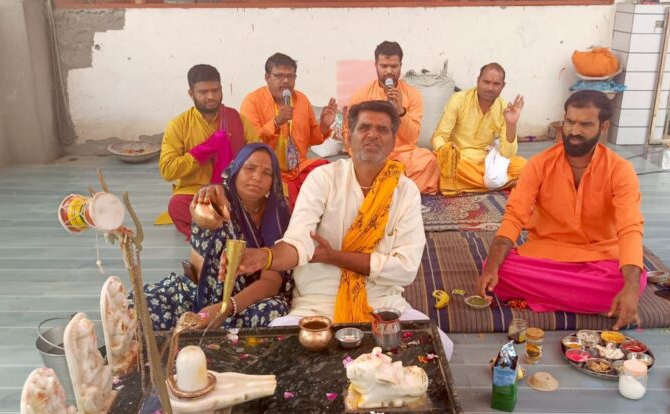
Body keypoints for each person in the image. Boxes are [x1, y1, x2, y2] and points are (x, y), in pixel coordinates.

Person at [211, 100, 453, 357]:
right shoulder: (323, 179)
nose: (372, 134)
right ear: (349, 137)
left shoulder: (405, 191)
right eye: (364, 127)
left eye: (382, 129)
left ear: (393, 141)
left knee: (441, 347)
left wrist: (335, 257)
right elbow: (299, 242)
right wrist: (264, 257)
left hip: (382, 305)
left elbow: (405, 269)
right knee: (276, 350)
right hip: (317, 304)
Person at [477, 90, 647, 331]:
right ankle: (590, 301)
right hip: (547, 252)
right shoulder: (539, 164)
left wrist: (630, 287)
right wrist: (493, 266)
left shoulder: (620, 170)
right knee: (494, 267)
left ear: (603, 127)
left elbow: (630, 228)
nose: (574, 131)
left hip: (598, 256)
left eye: (585, 124)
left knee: (633, 280)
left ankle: (552, 296)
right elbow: (514, 216)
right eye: (570, 122)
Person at [141, 143, 291, 330]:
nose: (257, 177)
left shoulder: (278, 214)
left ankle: (213, 326)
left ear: (273, 181)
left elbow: (271, 281)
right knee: (142, 306)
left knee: (275, 310)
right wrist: (210, 198)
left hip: (248, 300)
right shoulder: (217, 201)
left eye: (267, 173)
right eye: (250, 168)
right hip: (203, 292)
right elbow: (205, 215)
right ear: (235, 170)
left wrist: (226, 308)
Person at [158, 64, 260, 237]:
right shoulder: (179, 125)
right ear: (191, 94)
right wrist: (205, 149)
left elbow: (258, 153)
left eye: (215, 90)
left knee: (269, 198)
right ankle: (230, 229)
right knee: (177, 206)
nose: (211, 96)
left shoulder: (237, 120)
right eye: (203, 92)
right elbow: (168, 170)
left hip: (235, 191)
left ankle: (213, 231)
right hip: (197, 193)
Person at [241, 53, 339, 210]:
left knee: (333, 180)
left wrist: (324, 126)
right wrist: (276, 122)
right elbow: (251, 145)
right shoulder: (252, 102)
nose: (286, 81)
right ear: (267, 77)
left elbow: (312, 139)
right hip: (269, 169)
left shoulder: (302, 99)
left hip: (299, 167)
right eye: (279, 76)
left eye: (290, 76)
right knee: (284, 204)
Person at [345, 41, 439, 195]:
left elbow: (412, 137)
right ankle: (397, 189)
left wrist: (400, 111)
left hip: (403, 155)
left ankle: (384, 189)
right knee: (365, 166)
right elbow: (348, 133)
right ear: (375, 66)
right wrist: (360, 155)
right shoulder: (361, 95)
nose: (389, 71)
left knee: (428, 160)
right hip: (373, 151)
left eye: (394, 66)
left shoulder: (412, 94)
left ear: (401, 66)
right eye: (384, 66)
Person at [431, 63, 527, 196]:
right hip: (459, 159)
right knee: (435, 163)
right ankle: (498, 184)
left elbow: (507, 154)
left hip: (485, 161)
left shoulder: (504, 108)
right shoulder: (458, 100)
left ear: (503, 86)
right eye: (486, 82)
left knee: (524, 166)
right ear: (478, 80)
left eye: (496, 84)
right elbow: (439, 136)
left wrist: (511, 125)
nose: (490, 88)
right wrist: (445, 151)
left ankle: (465, 184)